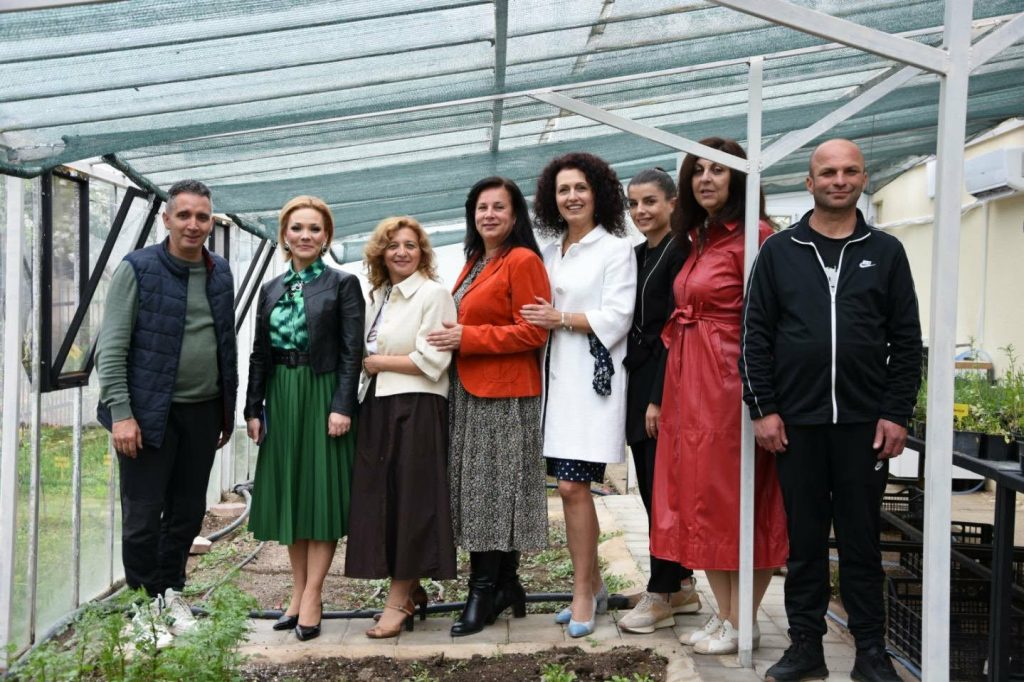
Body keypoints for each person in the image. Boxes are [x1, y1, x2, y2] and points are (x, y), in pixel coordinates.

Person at [741, 139, 921, 682]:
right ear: (810, 182)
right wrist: (763, 409)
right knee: (805, 541)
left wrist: (896, 412)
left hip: (865, 426)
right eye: (828, 172)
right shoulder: (780, 251)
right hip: (797, 423)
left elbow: (906, 340)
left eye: (849, 171)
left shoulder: (886, 251)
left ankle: (871, 652)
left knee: (863, 542)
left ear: (863, 178)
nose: (839, 180)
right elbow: (754, 336)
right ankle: (806, 648)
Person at [649, 137, 789, 656]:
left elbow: (770, 322)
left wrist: (761, 397)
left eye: (718, 170)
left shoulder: (758, 237)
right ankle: (727, 615)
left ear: (739, 180)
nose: (706, 179)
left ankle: (742, 620)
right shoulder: (698, 236)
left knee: (739, 501)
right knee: (701, 501)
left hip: (731, 384)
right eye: (698, 170)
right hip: (690, 384)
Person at [96, 179, 236, 646]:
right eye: (185, 215)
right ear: (167, 219)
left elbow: (224, 343)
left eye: (203, 217)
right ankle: (143, 606)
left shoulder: (220, 273)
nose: (194, 224)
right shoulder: (138, 269)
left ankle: (170, 592)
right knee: (142, 516)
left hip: (202, 412)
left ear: (211, 222)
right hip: (146, 416)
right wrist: (121, 413)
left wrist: (225, 410)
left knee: (186, 513)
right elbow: (112, 348)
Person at [427, 177, 551, 636]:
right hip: (472, 391)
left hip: (504, 395)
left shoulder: (523, 260)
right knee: (490, 492)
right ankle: (507, 585)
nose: (489, 215)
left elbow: (534, 331)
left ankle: (482, 592)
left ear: (515, 215)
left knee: (489, 495)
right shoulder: (477, 260)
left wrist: (468, 338)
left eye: (499, 207)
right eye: (482, 207)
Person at [521, 152, 636, 638]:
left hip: (591, 387)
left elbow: (618, 316)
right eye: (563, 190)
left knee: (573, 488)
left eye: (581, 188)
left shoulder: (616, 249)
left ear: (599, 195)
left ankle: (584, 592)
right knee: (568, 490)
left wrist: (561, 318)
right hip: (551, 386)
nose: (571, 197)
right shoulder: (549, 253)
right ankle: (593, 586)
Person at [243, 196, 363, 641]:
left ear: (327, 236)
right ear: (285, 235)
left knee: (320, 494)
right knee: (292, 493)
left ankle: (313, 595)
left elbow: (352, 351)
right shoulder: (271, 288)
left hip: (322, 392)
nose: (305, 235)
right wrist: (253, 407)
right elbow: (259, 352)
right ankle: (296, 593)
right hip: (282, 394)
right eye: (297, 228)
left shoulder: (342, 284)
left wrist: (342, 404)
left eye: (315, 228)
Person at [344, 216, 458, 639]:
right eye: (393, 245)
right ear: (380, 253)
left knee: (412, 500)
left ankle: (397, 600)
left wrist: (377, 363)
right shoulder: (379, 296)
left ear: (422, 252)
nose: (402, 252)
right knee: (383, 500)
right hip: (378, 403)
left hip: (418, 405)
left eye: (410, 245)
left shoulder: (434, 294)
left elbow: (433, 360)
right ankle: (410, 589)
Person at [617, 168, 701, 635]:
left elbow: (675, 330)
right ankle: (680, 583)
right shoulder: (638, 254)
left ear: (673, 202)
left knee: (661, 490)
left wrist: (658, 399)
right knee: (652, 490)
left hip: (662, 383)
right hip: (638, 378)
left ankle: (662, 592)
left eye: (649, 201)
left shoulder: (681, 252)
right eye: (633, 203)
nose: (640, 211)